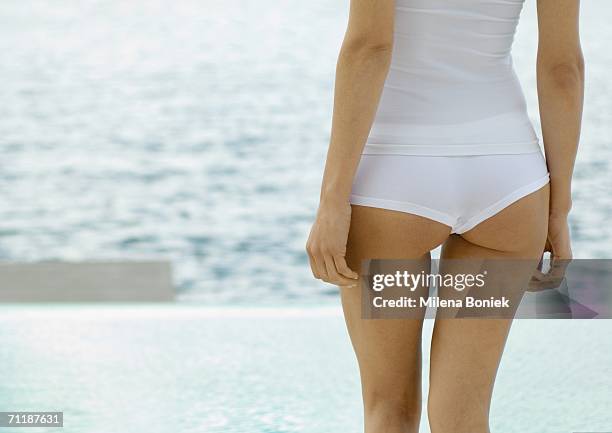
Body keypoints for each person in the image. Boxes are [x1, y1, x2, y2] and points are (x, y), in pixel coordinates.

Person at [305, 0, 584, 432]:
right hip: (509, 180)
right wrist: (558, 209)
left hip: (394, 181)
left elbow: (368, 48)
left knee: (389, 410)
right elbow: (562, 69)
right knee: (462, 417)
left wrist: (332, 200)